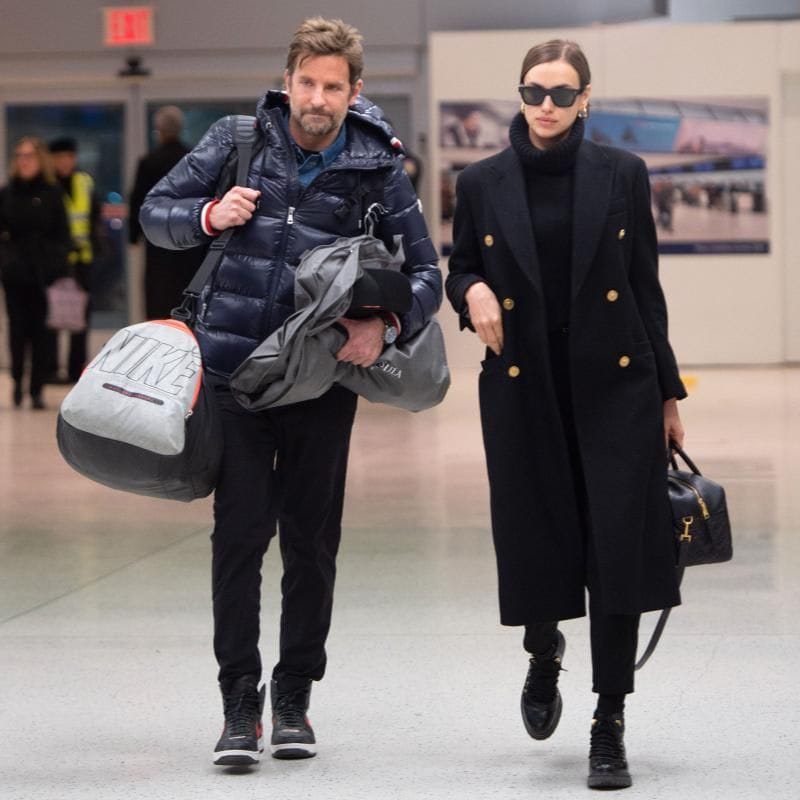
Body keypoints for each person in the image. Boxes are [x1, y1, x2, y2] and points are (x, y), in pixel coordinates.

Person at [140, 17, 440, 768]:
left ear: (354, 92)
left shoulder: (378, 170)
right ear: (288, 80)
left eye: (332, 86)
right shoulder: (238, 141)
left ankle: (295, 694)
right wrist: (210, 215)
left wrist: (386, 326)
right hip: (235, 379)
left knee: (312, 542)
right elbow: (154, 215)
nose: (316, 98)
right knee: (239, 539)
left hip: (320, 383)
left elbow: (429, 273)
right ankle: (239, 703)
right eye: (306, 82)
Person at [445, 39, 686, 791]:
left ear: (586, 98)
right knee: (537, 534)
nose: (544, 106)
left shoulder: (622, 174)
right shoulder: (481, 182)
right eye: (532, 91)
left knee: (617, 551)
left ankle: (609, 720)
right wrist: (471, 293)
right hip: (525, 386)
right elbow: (462, 268)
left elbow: (644, 286)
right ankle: (544, 647)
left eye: (560, 92)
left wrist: (669, 394)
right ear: (519, 96)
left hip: (616, 387)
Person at [0, 137, 70, 409]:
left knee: (42, 333)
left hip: (44, 274)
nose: (24, 160)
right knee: (17, 330)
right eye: (19, 155)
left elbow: (62, 234)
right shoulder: (7, 193)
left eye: (29, 155)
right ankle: (17, 381)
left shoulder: (52, 194)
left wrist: (54, 260)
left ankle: (37, 388)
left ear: (39, 159)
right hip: (15, 274)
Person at [129, 105, 206, 319]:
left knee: (159, 301)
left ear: (159, 131)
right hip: (190, 241)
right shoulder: (193, 160)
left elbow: (139, 202)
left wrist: (134, 236)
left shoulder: (149, 163)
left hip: (158, 241)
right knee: (187, 299)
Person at [48, 136, 103, 383]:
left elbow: (93, 217)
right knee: (51, 316)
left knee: (80, 318)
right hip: (55, 261)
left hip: (82, 260)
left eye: (68, 157)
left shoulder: (84, 182)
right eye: (59, 157)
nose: (64, 162)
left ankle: (74, 371)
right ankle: (49, 369)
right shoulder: (47, 185)